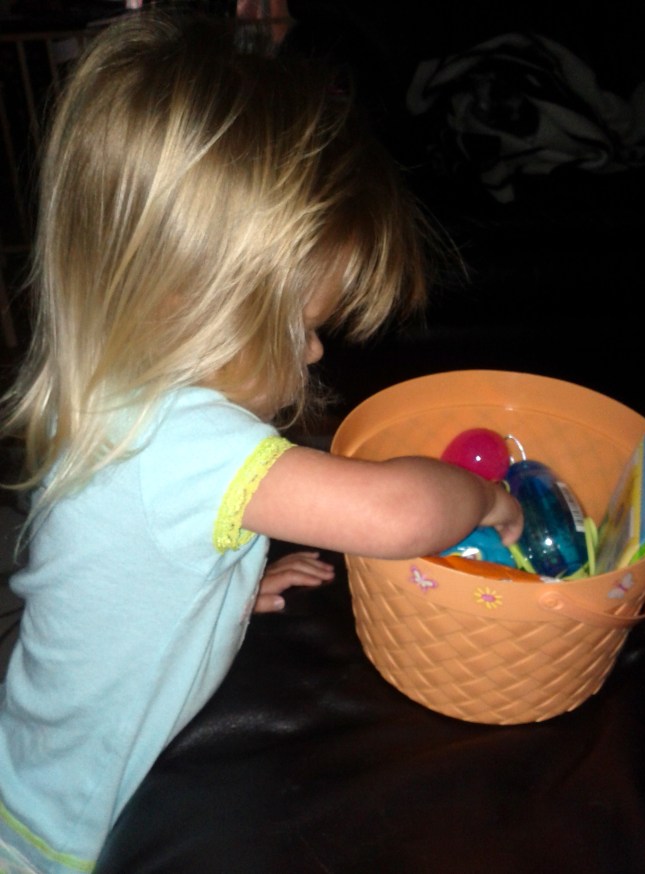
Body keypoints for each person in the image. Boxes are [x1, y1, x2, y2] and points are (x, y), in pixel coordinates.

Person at [0, 9, 522, 873]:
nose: (317, 352)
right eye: (302, 326)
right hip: (58, 836)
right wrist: (484, 496)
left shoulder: (113, 393)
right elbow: (397, 514)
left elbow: (112, 570)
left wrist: (222, 582)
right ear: (195, 306)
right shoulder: (192, 446)